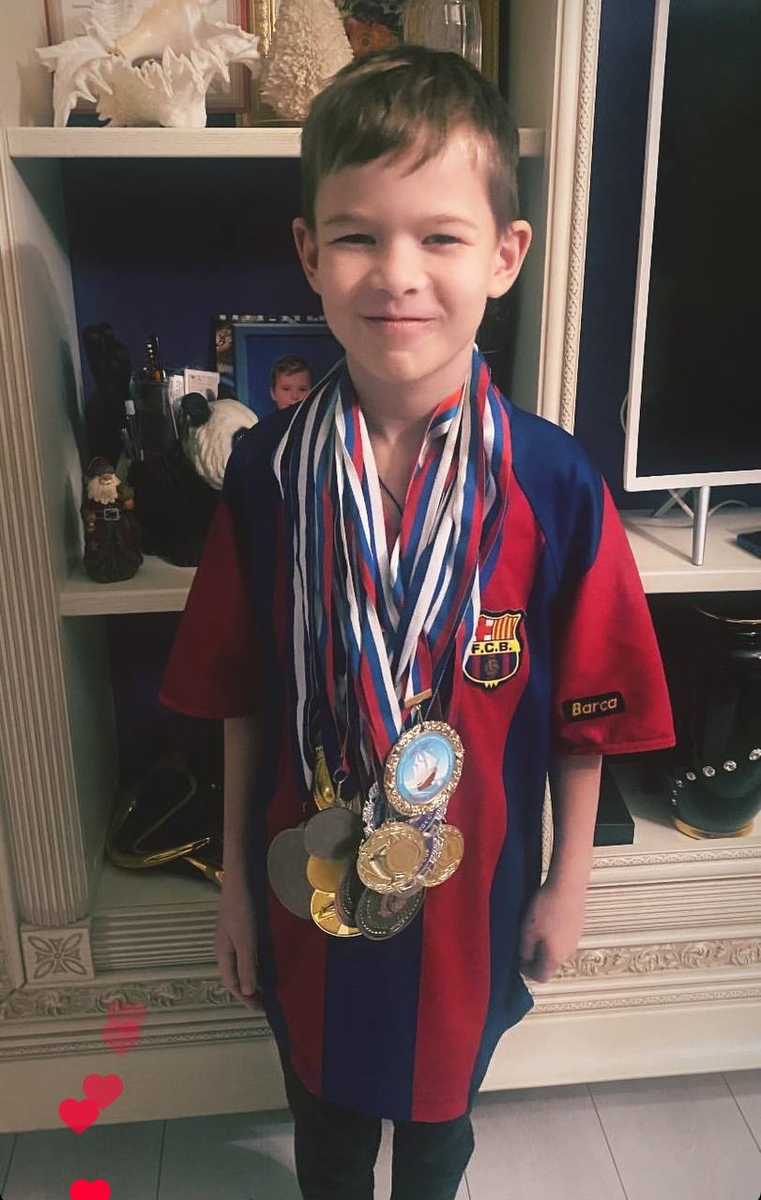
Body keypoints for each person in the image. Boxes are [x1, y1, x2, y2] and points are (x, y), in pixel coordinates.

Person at [159, 45, 675, 1200]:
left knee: (440, 1129)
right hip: (307, 889)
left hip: (474, 893)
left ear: (504, 255)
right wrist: (235, 882)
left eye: (439, 236)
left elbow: (585, 715)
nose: (396, 275)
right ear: (309, 254)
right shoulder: (267, 474)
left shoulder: (552, 485)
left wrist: (569, 880)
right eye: (356, 235)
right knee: (327, 1129)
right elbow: (241, 697)